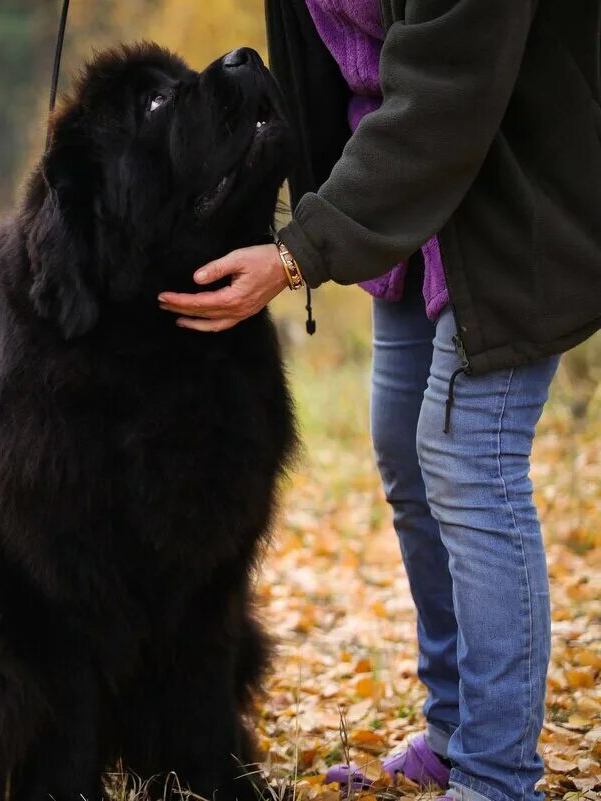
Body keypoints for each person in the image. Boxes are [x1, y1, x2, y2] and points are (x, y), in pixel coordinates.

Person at [158, 2, 601, 801]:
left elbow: (448, 96)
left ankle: (499, 775)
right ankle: (453, 726)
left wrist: (299, 250)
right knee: (403, 445)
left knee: (469, 459)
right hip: (403, 202)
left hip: (510, 188)